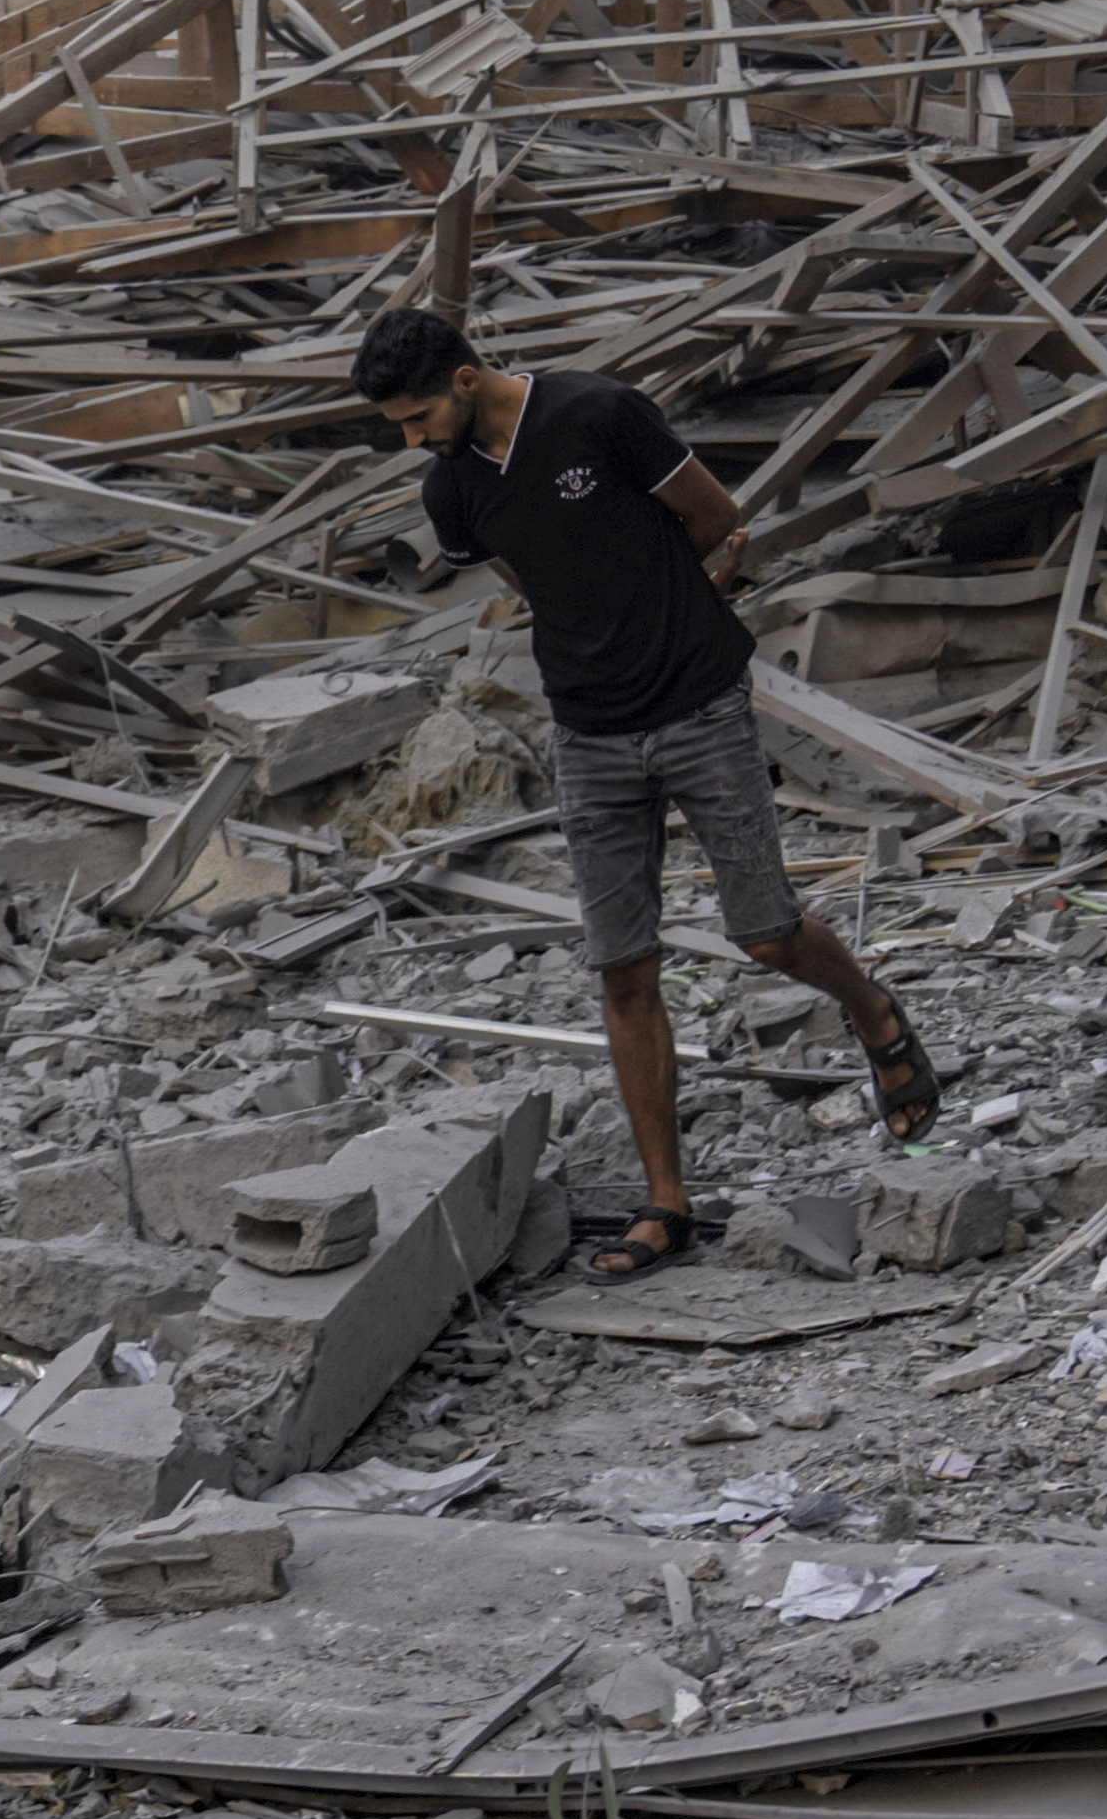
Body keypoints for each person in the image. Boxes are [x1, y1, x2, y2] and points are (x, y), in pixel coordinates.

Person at [352, 302, 938, 1277]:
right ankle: (667, 1205)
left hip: (697, 699)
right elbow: (531, 575)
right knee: (622, 967)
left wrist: (660, 602)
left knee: (765, 931)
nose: (411, 440)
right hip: (587, 731)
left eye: (417, 418)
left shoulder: (596, 413)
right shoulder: (450, 490)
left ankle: (872, 1011)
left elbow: (714, 518)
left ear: (463, 379)